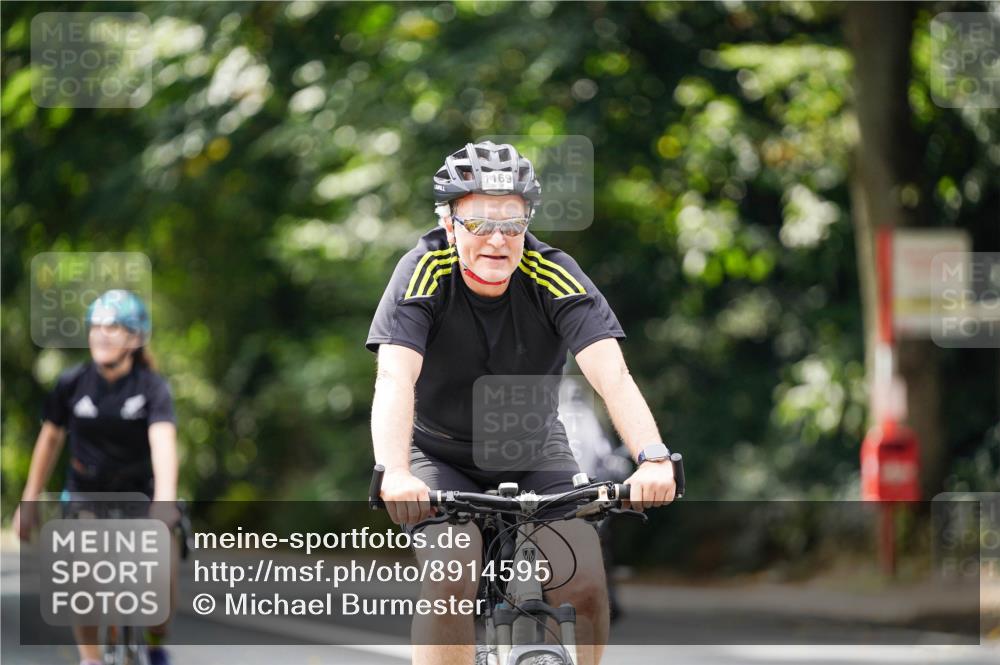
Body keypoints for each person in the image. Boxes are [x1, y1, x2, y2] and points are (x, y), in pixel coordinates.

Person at [367, 141, 677, 665]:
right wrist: (395, 473)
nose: (498, 239)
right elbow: (395, 376)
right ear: (449, 224)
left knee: (585, 585)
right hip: (438, 455)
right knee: (451, 576)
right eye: (479, 223)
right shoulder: (422, 272)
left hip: (535, 450)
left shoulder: (552, 273)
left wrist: (653, 457)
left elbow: (613, 376)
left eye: (512, 224)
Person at [13, 289, 179, 665]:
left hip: (139, 495)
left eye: (114, 326)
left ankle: (154, 643)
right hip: (86, 494)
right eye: (96, 326)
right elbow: (50, 440)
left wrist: (165, 500)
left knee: (161, 575)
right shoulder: (72, 383)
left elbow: (163, 442)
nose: (102, 334)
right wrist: (29, 500)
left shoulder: (152, 387)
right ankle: (91, 659)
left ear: (135, 338)